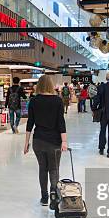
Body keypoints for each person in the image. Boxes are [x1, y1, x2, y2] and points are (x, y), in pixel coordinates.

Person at [24, 75, 68, 206]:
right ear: (50, 85)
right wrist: (64, 141)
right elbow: (61, 122)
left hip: (38, 140)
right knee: (54, 169)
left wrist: (26, 142)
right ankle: (54, 197)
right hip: (54, 141)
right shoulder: (57, 101)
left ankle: (44, 197)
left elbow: (30, 123)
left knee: (43, 168)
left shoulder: (34, 101)